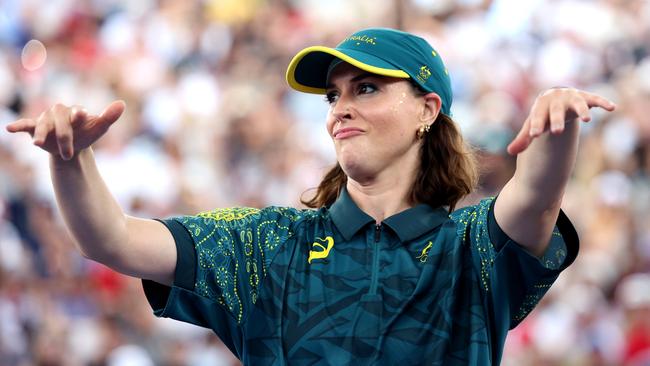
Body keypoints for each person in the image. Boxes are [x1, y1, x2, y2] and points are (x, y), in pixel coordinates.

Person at [6, 27, 616, 365]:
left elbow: (533, 201)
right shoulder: (269, 242)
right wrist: (71, 159)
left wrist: (558, 127)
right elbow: (110, 238)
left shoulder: (468, 246)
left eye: (367, 89)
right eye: (333, 96)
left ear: (429, 109)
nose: (341, 109)